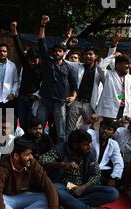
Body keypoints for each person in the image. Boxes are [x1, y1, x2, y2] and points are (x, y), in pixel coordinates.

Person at [40, 130, 119, 209]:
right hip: (64, 185)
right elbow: (42, 161)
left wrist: (83, 187)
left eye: (90, 143)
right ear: (75, 145)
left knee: (113, 193)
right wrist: (62, 165)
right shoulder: (60, 149)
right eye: (85, 144)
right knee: (55, 189)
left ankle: (70, 205)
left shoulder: (91, 153)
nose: (89, 146)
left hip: (83, 187)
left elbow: (97, 175)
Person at [0, 137, 59, 209]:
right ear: (16, 156)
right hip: (7, 200)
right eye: (27, 154)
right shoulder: (2, 166)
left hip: (24, 197)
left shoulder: (32, 163)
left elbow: (48, 185)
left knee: (49, 196)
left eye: (31, 154)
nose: (31, 157)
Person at [36, 15, 78, 144]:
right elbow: (41, 43)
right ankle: (37, 151)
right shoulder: (48, 62)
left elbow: (74, 84)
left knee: (60, 132)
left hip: (60, 103)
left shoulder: (69, 67)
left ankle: (60, 155)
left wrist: (73, 96)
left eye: (60, 51)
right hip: (44, 100)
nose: (57, 53)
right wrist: (43, 25)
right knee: (39, 129)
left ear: (63, 53)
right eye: (55, 51)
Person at [10, 21, 42, 131]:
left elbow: (45, 84)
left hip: (34, 99)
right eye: (30, 60)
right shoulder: (26, 63)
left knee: (31, 122)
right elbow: (18, 47)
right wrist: (14, 31)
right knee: (22, 123)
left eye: (34, 60)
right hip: (21, 97)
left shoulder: (43, 67)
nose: (32, 63)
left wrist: (36, 95)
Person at [86, 119, 124, 187]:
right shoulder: (91, 134)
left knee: (121, 176)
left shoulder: (114, 144)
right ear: (100, 128)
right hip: (87, 169)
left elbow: (118, 162)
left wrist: (113, 178)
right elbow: (83, 130)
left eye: (109, 129)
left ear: (113, 132)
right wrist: (89, 122)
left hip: (101, 171)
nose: (105, 131)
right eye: (103, 128)